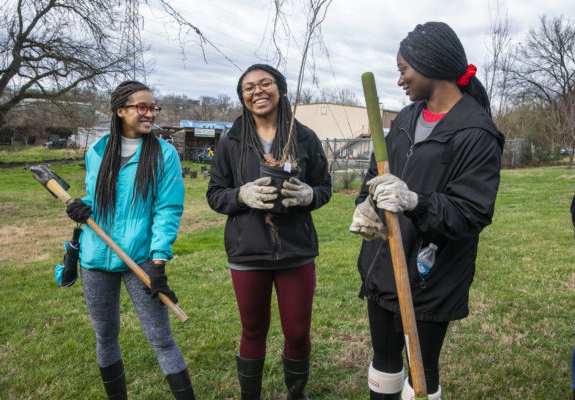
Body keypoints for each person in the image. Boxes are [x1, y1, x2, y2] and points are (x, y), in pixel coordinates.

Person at [349, 22, 505, 400]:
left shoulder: (476, 132)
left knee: (422, 371)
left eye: (404, 69)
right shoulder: (405, 118)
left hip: (431, 274)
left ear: (430, 64)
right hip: (384, 263)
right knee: (383, 360)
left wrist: (414, 201)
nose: (400, 79)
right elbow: (376, 174)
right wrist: (367, 205)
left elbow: (471, 213)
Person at [206, 64, 331, 399]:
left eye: (264, 84)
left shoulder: (303, 137)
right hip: (248, 250)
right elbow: (215, 194)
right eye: (248, 87)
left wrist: (309, 196)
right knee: (253, 329)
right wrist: (240, 195)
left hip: (296, 250)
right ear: (241, 96)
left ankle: (296, 392)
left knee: (298, 330)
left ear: (281, 89)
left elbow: (324, 187)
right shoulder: (231, 140)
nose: (256, 91)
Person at [65, 80, 194, 399]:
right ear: (120, 111)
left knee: (161, 339)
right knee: (105, 337)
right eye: (142, 107)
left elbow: (168, 209)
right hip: (96, 257)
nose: (150, 113)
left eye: (154, 107)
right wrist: (84, 206)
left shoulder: (164, 154)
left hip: (141, 258)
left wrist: (159, 262)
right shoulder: (98, 150)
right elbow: (101, 198)